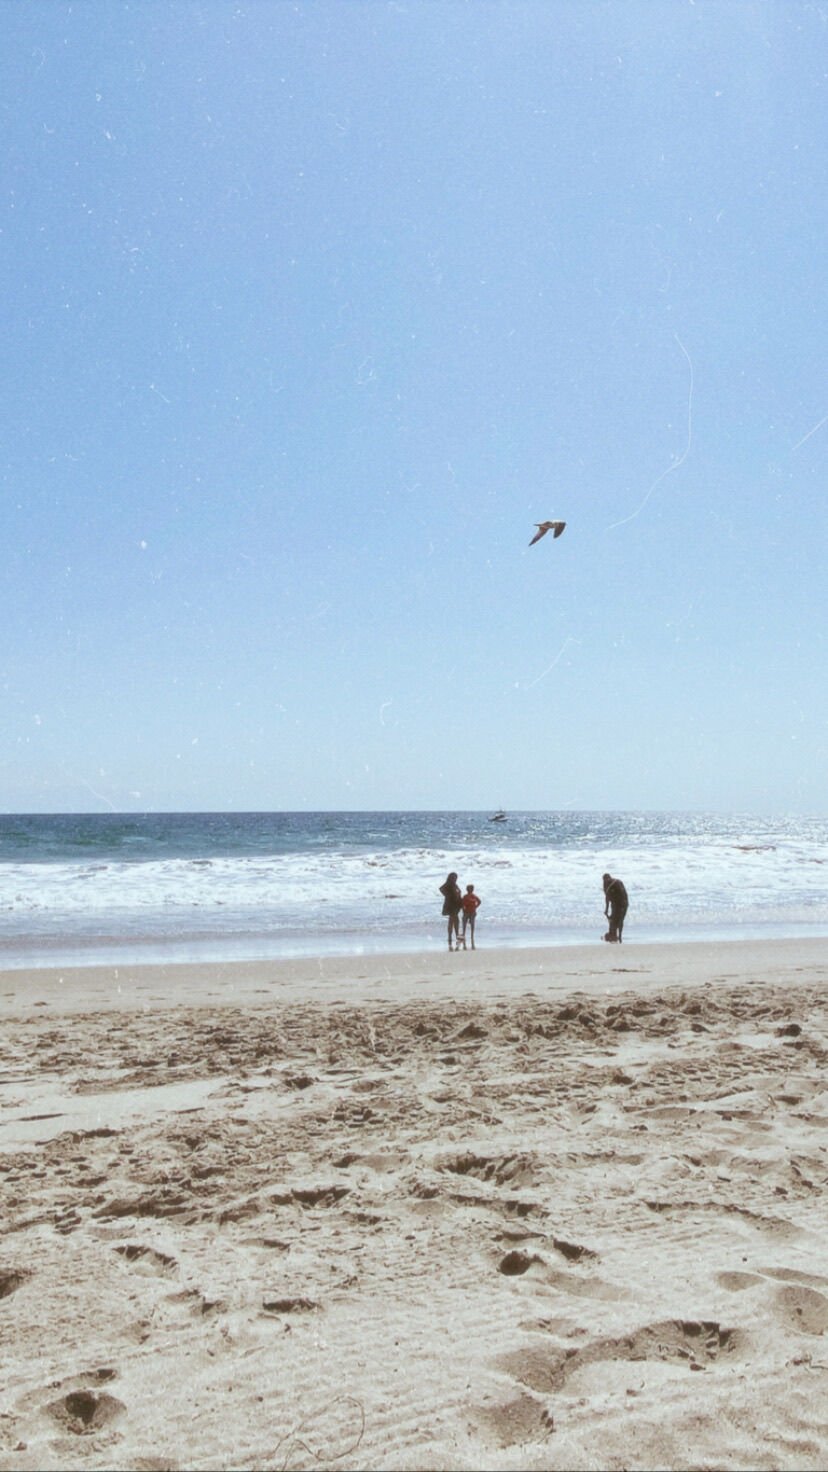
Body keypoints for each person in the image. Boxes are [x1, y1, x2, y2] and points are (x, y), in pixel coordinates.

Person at [439, 871, 463, 951]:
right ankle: (455, 936)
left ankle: (452, 937)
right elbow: (441, 889)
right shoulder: (449, 884)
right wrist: (448, 895)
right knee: (454, 920)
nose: (455, 879)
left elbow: (458, 893)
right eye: (453, 877)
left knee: (453, 921)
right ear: (450, 878)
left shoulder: (455, 884)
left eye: (456, 877)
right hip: (451, 905)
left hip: (456, 905)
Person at [602, 872, 628, 943]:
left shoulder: (607, 884)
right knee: (619, 919)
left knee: (614, 920)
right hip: (623, 903)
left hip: (619, 903)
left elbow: (607, 898)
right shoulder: (618, 881)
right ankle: (618, 936)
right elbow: (624, 894)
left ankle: (615, 935)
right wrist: (607, 909)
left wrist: (606, 909)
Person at [461, 884, 481, 949]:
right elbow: (462, 904)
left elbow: (479, 902)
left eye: (471, 889)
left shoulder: (474, 896)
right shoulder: (465, 896)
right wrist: (463, 910)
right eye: (469, 889)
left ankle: (472, 937)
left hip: (472, 912)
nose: (470, 890)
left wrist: (475, 907)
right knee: (464, 925)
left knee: (472, 925)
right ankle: (463, 936)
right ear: (467, 890)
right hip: (466, 912)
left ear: (472, 890)